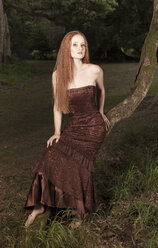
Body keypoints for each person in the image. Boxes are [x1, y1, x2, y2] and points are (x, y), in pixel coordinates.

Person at [25, 30, 110, 228]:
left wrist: (101, 111)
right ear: (67, 49)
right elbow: (57, 106)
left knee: (81, 168)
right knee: (50, 155)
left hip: (93, 128)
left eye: (83, 45)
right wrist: (57, 132)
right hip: (73, 126)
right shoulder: (58, 75)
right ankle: (40, 205)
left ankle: (80, 214)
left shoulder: (95, 70)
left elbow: (102, 90)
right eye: (75, 45)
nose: (80, 48)